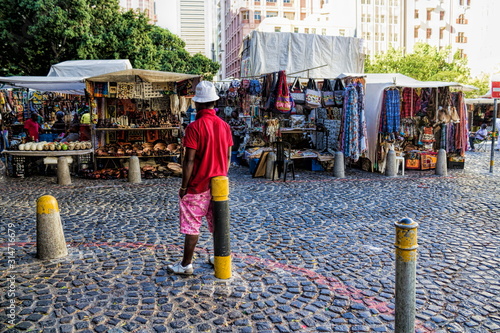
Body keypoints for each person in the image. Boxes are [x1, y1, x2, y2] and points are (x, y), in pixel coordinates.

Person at [167, 81, 233, 275]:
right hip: (219, 184)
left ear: (197, 104)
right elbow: (228, 156)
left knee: (192, 225)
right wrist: (222, 175)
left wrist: (183, 186)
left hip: (198, 184)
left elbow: (189, 161)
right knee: (217, 224)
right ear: (213, 102)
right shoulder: (224, 126)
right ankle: (218, 256)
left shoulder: (194, 127)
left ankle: (186, 264)